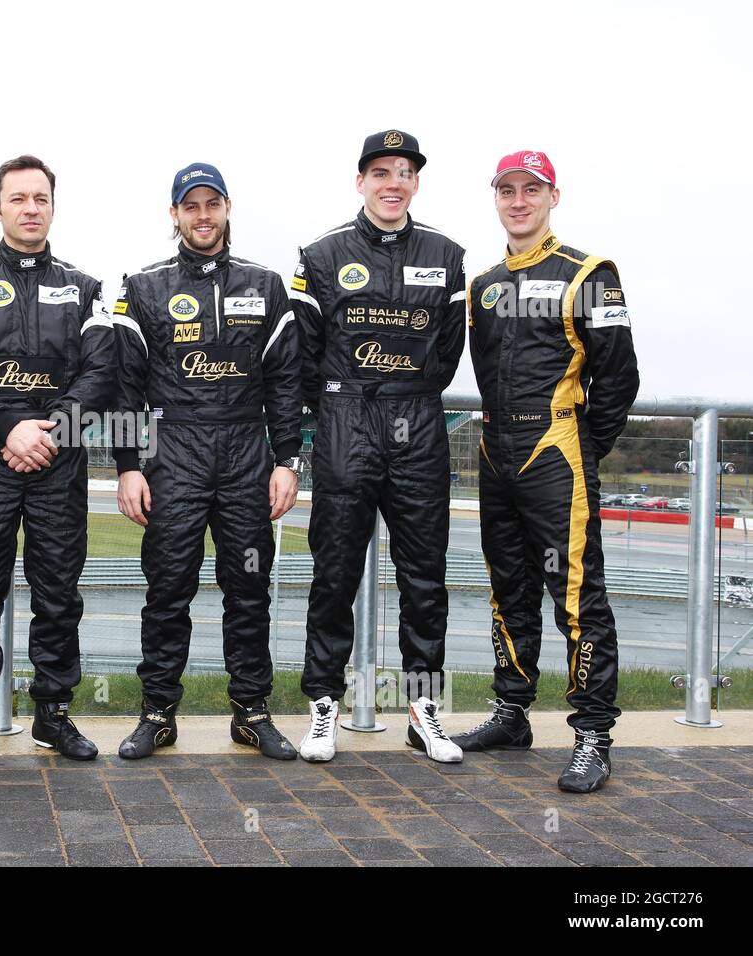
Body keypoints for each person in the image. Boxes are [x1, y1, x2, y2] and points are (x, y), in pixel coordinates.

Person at [450, 150, 639, 793]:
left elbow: (619, 378)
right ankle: (512, 712)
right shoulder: (482, 283)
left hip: (557, 451)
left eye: (532, 189)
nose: (519, 200)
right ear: (495, 198)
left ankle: (591, 733)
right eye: (507, 190)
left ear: (554, 196)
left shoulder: (589, 272)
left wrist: (583, 445)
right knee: (508, 588)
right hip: (494, 450)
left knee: (579, 598)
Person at [112, 162, 302, 760]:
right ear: (174, 214)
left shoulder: (266, 285)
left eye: (211, 204)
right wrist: (128, 466)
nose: (201, 215)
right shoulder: (143, 286)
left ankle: (251, 712)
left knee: (249, 588)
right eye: (189, 205)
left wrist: (288, 460)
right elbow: (125, 386)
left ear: (226, 209)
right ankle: (158, 713)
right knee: (168, 588)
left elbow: (287, 381)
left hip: (248, 452)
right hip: (173, 454)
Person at [0, 155, 114, 764]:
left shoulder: (87, 287)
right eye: (18, 198)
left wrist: (50, 433)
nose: (30, 208)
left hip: (60, 460)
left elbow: (100, 373)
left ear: (53, 206)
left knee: (58, 592)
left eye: (41, 198)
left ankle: (54, 715)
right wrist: (11, 427)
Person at [290, 130, 466, 765]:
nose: (394, 183)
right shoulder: (321, 254)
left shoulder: (447, 255)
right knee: (333, 573)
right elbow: (304, 356)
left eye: (405, 172)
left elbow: (447, 354)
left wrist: (404, 391)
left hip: (418, 421)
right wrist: (345, 400)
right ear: (359, 180)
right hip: (345, 421)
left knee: (425, 577)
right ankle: (323, 708)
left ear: (416, 183)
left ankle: (423, 712)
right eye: (380, 172)